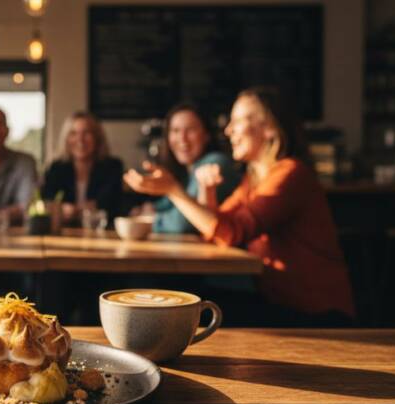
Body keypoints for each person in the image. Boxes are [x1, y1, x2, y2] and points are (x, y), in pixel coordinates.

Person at [124, 87, 355, 325]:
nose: (228, 130)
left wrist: (173, 190)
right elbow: (215, 230)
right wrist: (208, 191)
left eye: (237, 121)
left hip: (317, 314)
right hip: (280, 303)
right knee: (181, 302)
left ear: (270, 128)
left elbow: (230, 233)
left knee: (188, 310)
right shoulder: (253, 180)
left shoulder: (290, 174)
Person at [149, 103, 241, 234]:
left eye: (190, 130)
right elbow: (168, 203)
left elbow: (184, 223)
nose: (182, 138)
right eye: (175, 131)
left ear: (207, 135)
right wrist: (152, 208)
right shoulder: (187, 171)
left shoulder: (214, 164)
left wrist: (153, 220)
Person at [41, 111, 123, 225]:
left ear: (97, 138)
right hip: (65, 229)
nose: (80, 140)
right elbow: (46, 200)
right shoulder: (55, 168)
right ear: (66, 139)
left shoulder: (113, 167)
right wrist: (62, 208)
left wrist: (89, 207)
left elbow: (114, 202)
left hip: (102, 229)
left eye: (87, 133)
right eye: (73, 133)